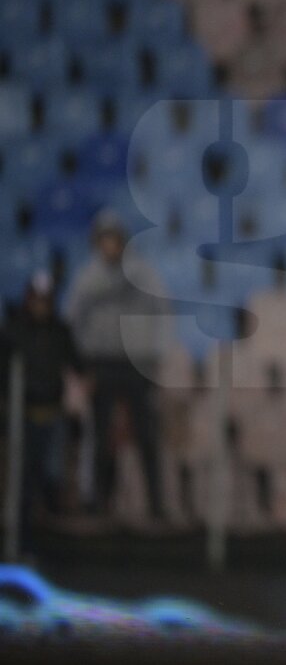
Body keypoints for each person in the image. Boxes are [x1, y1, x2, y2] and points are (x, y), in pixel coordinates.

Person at [64, 211, 167, 521]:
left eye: (115, 238)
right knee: (101, 436)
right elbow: (72, 320)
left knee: (146, 435)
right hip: (102, 364)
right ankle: (98, 502)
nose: (110, 244)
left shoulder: (142, 274)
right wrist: (83, 363)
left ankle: (156, 505)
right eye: (104, 238)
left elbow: (162, 312)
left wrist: (152, 356)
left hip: (135, 364)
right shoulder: (87, 277)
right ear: (97, 242)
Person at [0, 272, 84, 556]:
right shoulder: (14, 330)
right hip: (23, 417)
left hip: (53, 416)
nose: (41, 305)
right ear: (28, 299)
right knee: (23, 482)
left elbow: (78, 364)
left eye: (46, 300)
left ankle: (50, 542)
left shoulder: (60, 331)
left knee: (52, 479)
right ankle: (23, 541)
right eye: (37, 299)